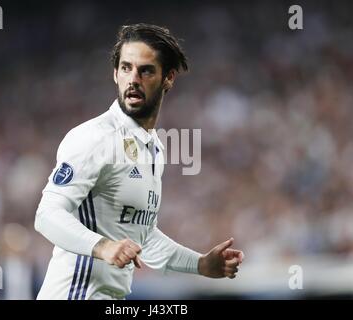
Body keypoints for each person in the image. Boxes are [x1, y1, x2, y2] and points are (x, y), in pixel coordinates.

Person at [34, 23, 244, 300]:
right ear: (115, 73)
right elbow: (47, 215)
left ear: (168, 78)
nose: (133, 78)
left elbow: (142, 236)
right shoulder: (94, 137)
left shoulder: (154, 149)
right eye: (125, 68)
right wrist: (103, 246)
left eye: (145, 70)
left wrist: (201, 264)